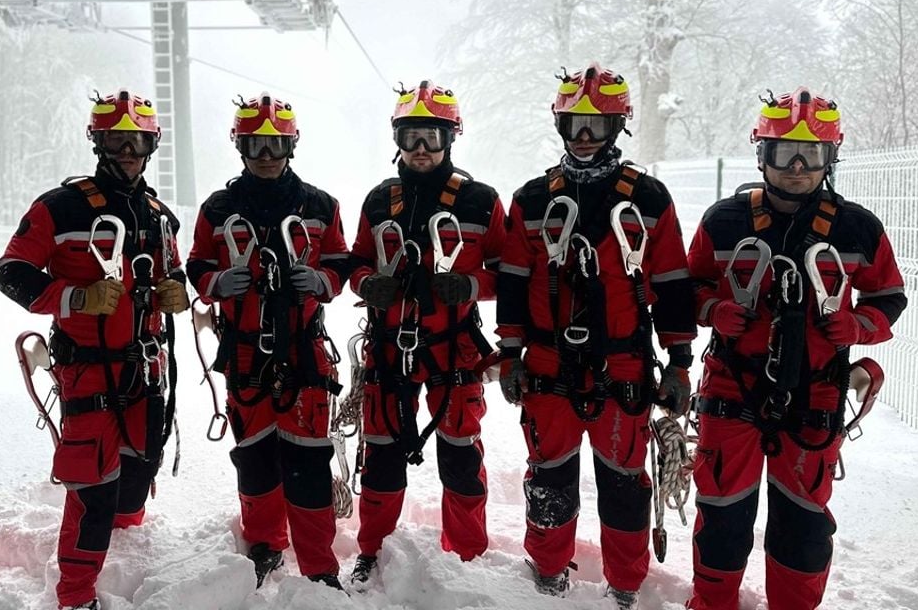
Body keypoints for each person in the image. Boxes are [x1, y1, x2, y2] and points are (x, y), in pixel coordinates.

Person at [684, 88, 906, 610]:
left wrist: (859, 325)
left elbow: (889, 295)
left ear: (833, 157)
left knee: (804, 523)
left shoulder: (858, 227)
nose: (798, 168)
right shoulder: (724, 221)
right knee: (722, 513)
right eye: (784, 154)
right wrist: (714, 311)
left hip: (817, 392)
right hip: (731, 389)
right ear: (762, 154)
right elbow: (685, 288)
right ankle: (712, 604)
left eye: (813, 155)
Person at [496, 63, 697, 609]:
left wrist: (680, 362)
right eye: (574, 124)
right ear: (559, 126)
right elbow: (513, 281)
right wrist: (509, 353)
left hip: (624, 371)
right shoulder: (533, 199)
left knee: (625, 486)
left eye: (597, 125)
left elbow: (673, 282)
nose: (584, 137)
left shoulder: (648, 199)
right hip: (545, 366)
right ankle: (548, 572)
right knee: (550, 481)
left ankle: (626, 586)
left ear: (618, 127)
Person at [0, 90, 189, 610]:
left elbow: (173, 271)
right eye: (116, 140)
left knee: (137, 471)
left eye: (137, 141)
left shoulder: (159, 214)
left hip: (148, 369)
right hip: (89, 372)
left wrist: (176, 291)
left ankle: (127, 551)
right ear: (97, 142)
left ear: (151, 145)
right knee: (93, 485)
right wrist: (75, 297)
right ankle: (76, 594)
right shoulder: (59, 208)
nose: (127, 151)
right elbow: (11, 274)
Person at [185, 93, 350, 589]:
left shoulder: (320, 206)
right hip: (244, 352)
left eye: (275, 143)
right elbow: (196, 263)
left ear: (291, 145)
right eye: (255, 143)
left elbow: (342, 260)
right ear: (239, 145)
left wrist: (322, 281)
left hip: (304, 351)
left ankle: (318, 565)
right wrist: (215, 285)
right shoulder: (219, 209)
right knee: (255, 457)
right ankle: (264, 545)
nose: (265, 154)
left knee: (307, 462)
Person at [346, 81, 506, 584]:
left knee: (460, 456)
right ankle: (372, 549)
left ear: (450, 140)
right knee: (382, 456)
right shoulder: (379, 202)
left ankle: (466, 555)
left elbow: (511, 273)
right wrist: (368, 283)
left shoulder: (480, 201)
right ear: (397, 138)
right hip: (390, 349)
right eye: (412, 136)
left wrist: (473, 284)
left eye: (431, 138)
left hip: (454, 349)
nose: (420, 149)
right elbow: (356, 262)